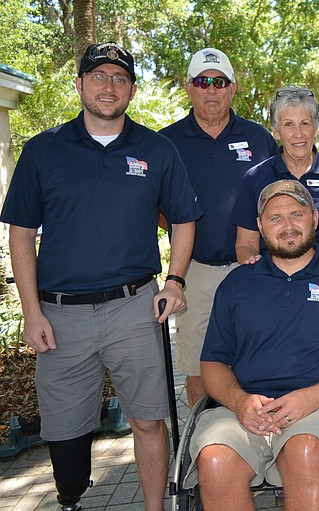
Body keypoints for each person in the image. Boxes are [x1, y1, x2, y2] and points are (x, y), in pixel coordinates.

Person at [1, 42, 201, 511]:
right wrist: (31, 312)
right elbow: (21, 233)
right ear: (80, 85)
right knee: (66, 436)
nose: (108, 86)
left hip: (134, 308)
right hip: (60, 314)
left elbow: (185, 218)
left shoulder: (157, 150)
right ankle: (71, 498)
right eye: (98, 77)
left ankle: (156, 507)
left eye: (118, 78)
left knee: (150, 421)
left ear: (131, 89)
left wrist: (175, 281)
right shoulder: (44, 151)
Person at [189, 179, 319, 511]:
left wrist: (313, 396)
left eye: (297, 214)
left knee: (305, 450)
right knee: (215, 460)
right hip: (245, 409)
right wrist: (239, 401)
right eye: (275, 218)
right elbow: (213, 362)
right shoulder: (236, 284)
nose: (287, 226)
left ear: (315, 219)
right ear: (260, 227)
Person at [159, 47, 277, 408]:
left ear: (232, 88)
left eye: (219, 82)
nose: (211, 89)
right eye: (203, 81)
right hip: (194, 273)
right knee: (198, 368)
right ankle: (203, 451)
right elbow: (155, 207)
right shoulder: (166, 142)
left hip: (254, 269)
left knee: (256, 360)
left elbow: (278, 200)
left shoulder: (259, 139)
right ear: (189, 87)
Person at [231, 87, 319, 264]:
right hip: (273, 280)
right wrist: (254, 267)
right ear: (277, 131)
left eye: (305, 123)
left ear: (315, 128)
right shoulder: (255, 178)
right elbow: (245, 244)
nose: (298, 134)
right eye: (289, 124)